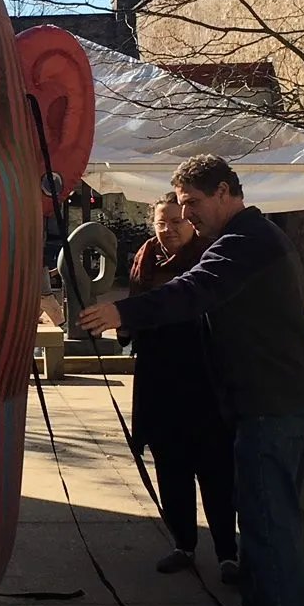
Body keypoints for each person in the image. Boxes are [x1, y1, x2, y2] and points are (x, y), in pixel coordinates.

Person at [79, 153, 304, 606]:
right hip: (257, 399)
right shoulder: (240, 239)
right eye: (181, 206)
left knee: (270, 519)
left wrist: (124, 311)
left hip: (275, 399)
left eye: (192, 204)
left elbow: (194, 291)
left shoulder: (248, 241)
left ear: (224, 192)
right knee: (254, 514)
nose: (188, 216)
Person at [126, 194, 238, 582]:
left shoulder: (210, 258)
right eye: (162, 222)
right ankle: (183, 544)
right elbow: (136, 309)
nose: (169, 229)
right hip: (159, 375)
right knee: (171, 467)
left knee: (216, 470)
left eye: (177, 222)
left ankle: (228, 552)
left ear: (190, 224)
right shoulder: (144, 260)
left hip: (205, 377)